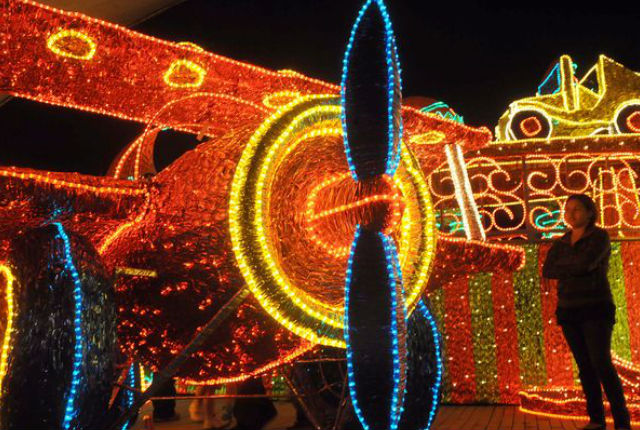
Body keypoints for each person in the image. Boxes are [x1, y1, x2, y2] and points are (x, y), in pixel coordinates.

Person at [542, 194, 631, 430]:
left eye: (577, 210)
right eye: (568, 209)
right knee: (584, 366)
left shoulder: (599, 237)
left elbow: (586, 264)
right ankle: (596, 420)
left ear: (590, 212)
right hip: (569, 309)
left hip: (595, 307)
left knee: (601, 362)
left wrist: (568, 267)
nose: (571, 214)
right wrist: (573, 266)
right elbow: (549, 269)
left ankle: (622, 421)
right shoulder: (562, 241)